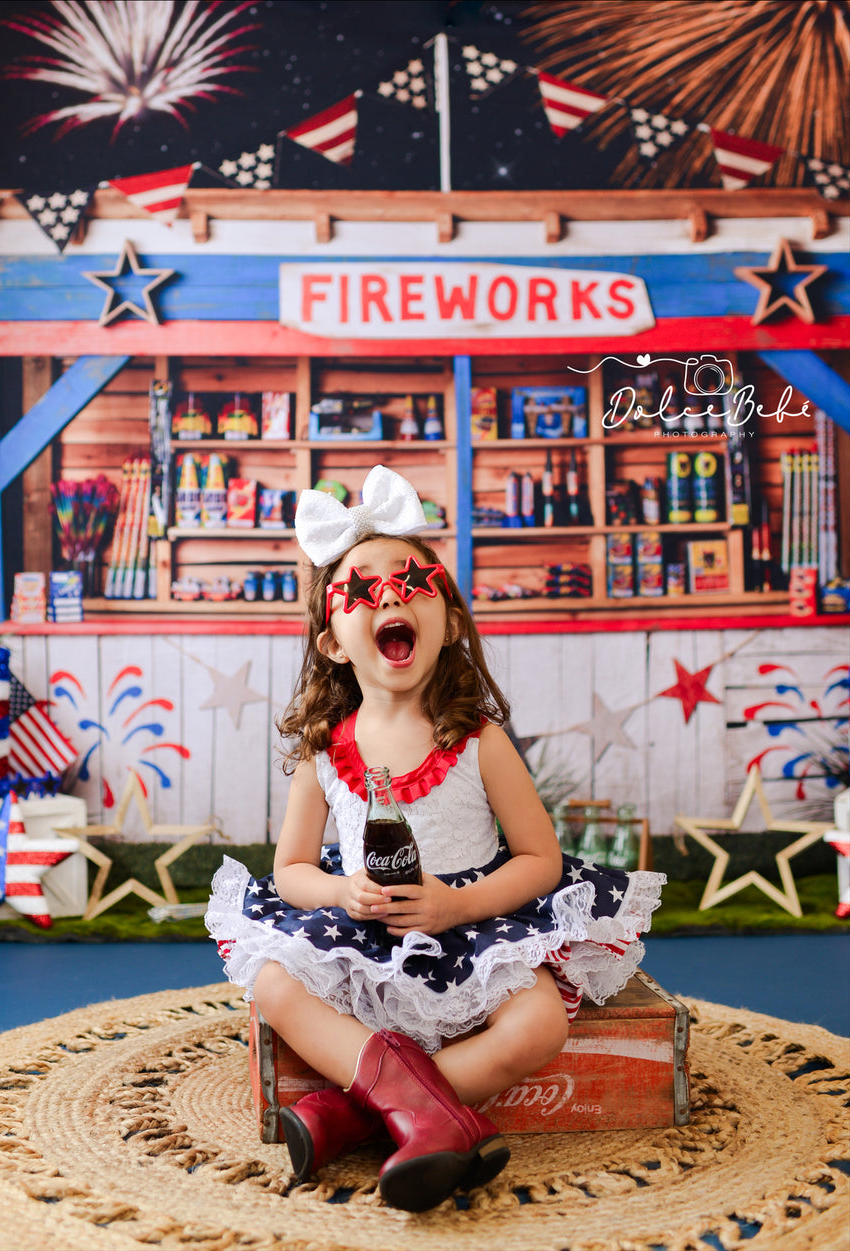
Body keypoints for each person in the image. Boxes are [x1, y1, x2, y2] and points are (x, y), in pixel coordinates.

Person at [206, 464, 665, 1212]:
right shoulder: (326, 751)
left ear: (449, 621)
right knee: (272, 982)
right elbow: (290, 869)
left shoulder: (478, 740)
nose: (388, 594)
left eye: (411, 581)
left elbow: (541, 859)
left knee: (543, 1019)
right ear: (332, 642)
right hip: (361, 930)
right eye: (362, 590)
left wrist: (459, 905)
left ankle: (358, 1112)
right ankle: (429, 1114)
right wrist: (338, 891)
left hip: (472, 922)